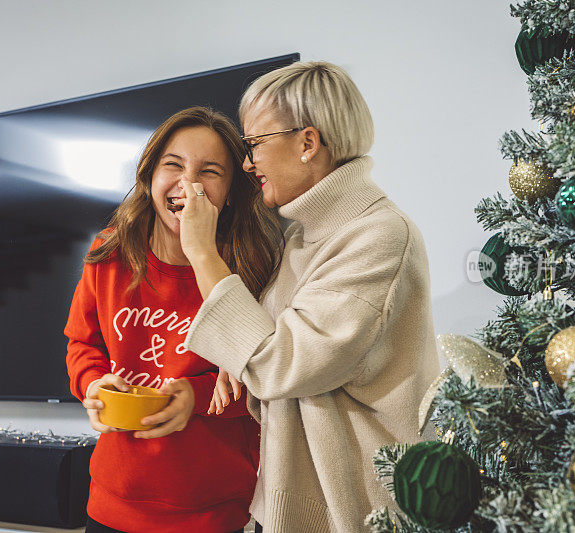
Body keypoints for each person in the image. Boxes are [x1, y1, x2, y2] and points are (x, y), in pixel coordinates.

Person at [176, 61, 442, 532]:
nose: (247, 163)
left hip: (354, 511)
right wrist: (235, 360)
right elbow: (274, 348)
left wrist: (201, 251)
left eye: (254, 143)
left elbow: (282, 363)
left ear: (307, 142)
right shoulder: (301, 235)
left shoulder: (378, 235)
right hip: (290, 503)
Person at [64, 107, 281, 533]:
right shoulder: (109, 253)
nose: (189, 183)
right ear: (149, 177)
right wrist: (93, 383)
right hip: (112, 501)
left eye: (210, 170)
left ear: (232, 191)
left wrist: (195, 396)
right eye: (173, 165)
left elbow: (267, 375)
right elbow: (81, 345)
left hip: (211, 511)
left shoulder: (251, 266)